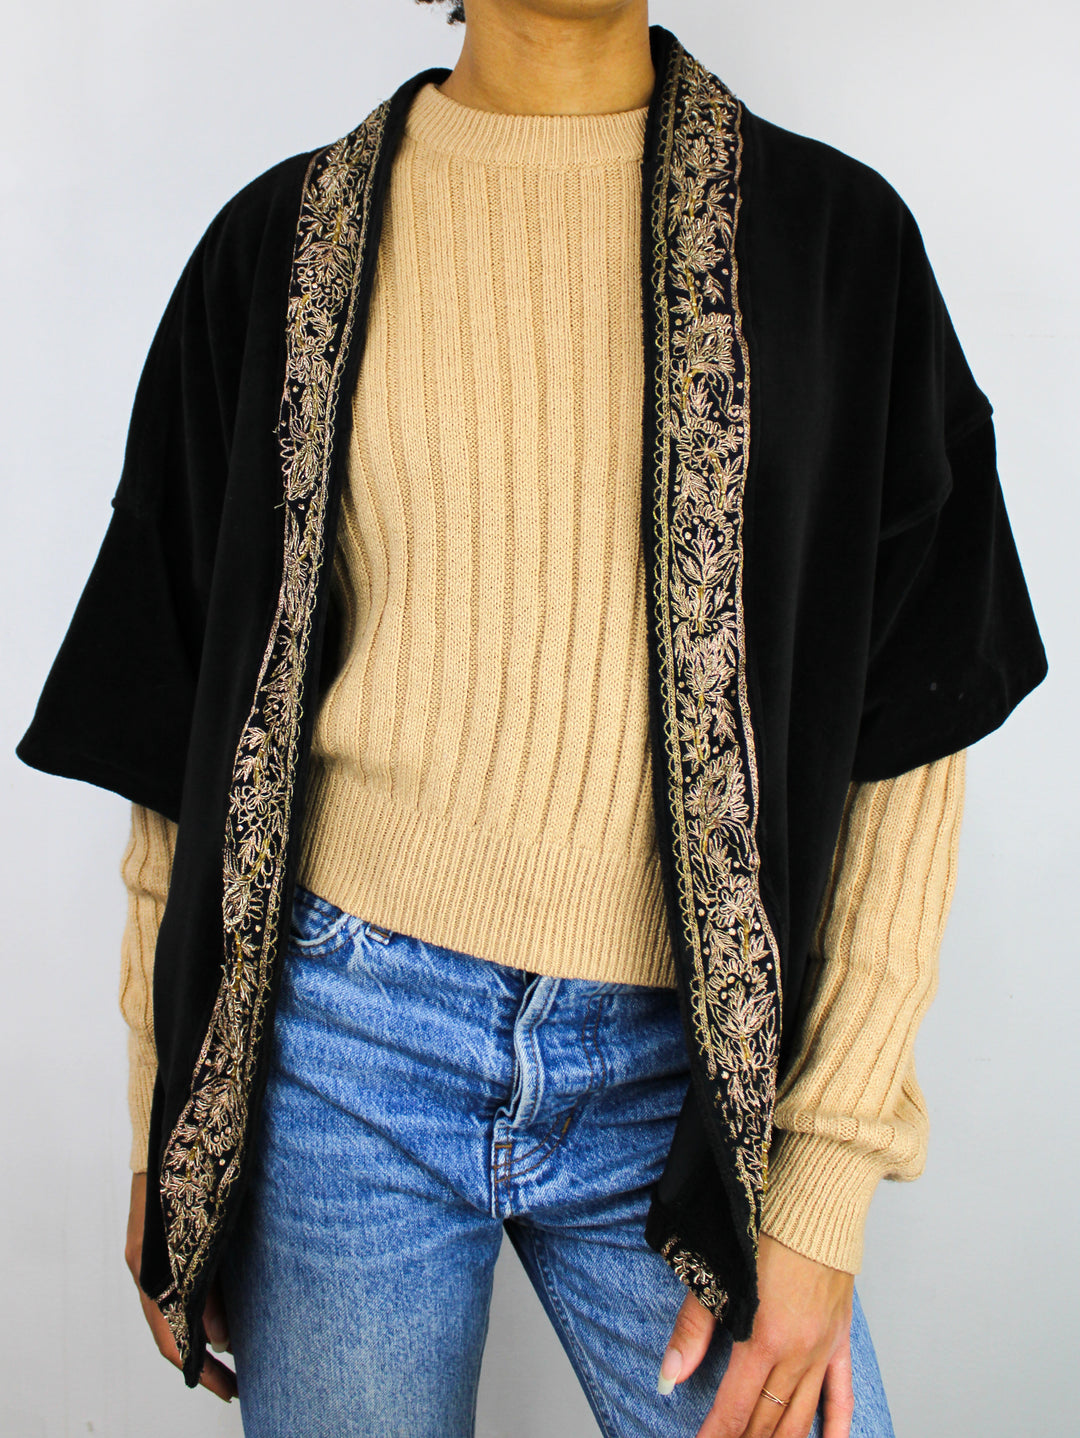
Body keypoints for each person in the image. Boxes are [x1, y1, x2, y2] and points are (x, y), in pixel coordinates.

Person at [17, 2, 1046, 1436]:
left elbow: (911, 738)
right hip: (342, 1046)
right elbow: (178, 740)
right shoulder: (277, 248)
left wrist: (823, 1183)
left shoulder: (839, 248)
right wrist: (167, 1115)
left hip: (687, 1085)